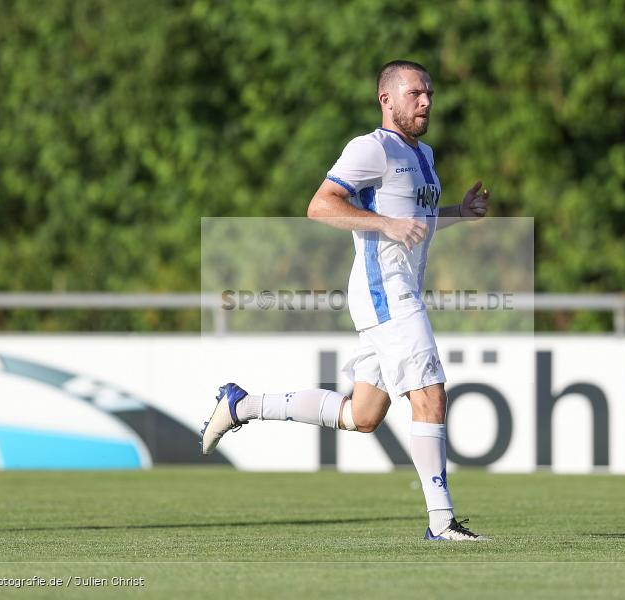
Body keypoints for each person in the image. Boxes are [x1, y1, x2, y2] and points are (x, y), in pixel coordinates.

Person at [201, 59, 490, 541]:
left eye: (430, 95)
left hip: (395, 295)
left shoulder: (424, 154)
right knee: (431, 394)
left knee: (363, 415)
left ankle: (243, 405)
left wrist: (459, 211)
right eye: (416, 93)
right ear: (386, 99)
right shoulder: (370, 148)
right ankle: (442, 523)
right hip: (386, 294)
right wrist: (383, 225)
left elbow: (412, 219)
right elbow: (320, 205)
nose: (426, 102)